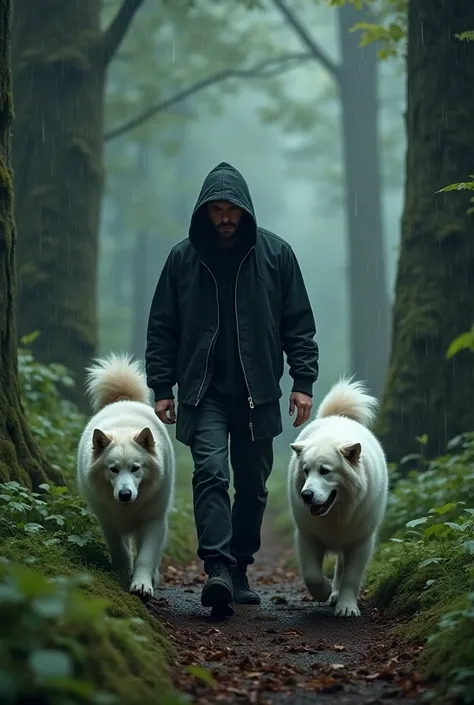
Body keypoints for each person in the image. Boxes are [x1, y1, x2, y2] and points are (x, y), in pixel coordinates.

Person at [146, 161, 319, 613]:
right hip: (202, 392)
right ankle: (218, 569)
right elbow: (162, 327)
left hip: (257, 391)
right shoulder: (182, 258)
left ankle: (240, 567)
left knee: (253, 486)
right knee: (210, 475)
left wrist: (302, 381)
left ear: (245, 211)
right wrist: (162, 386)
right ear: (204, 212)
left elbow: (297, 323)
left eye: (231, 210)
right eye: (216, 209)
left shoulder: (277, 256)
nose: (224, 217)